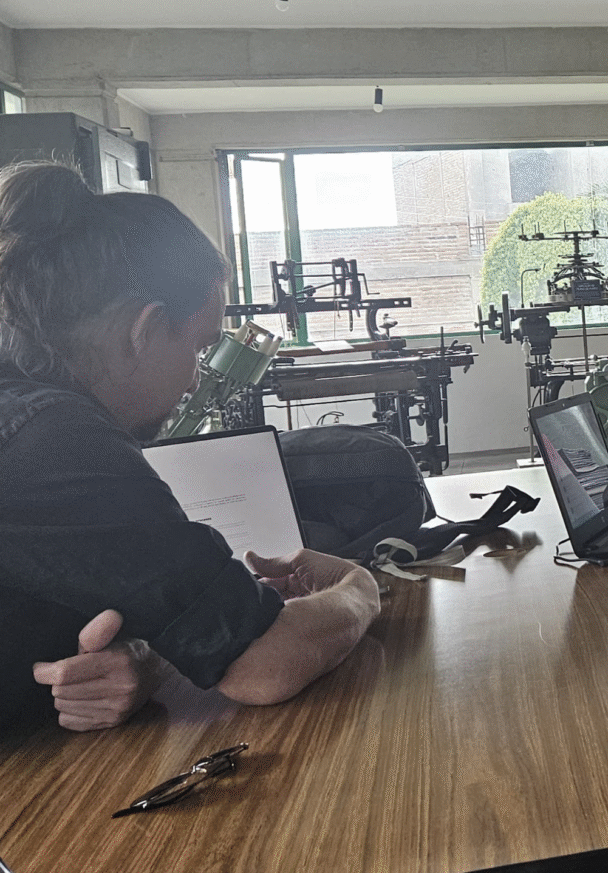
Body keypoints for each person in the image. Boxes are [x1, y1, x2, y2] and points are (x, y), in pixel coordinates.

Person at [0, 161, 380, 732]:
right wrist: (359, 590)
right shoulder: (57, 440)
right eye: (199, 348)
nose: (195, 378)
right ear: (146, 329)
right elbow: (263, 665)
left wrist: (147, 655)